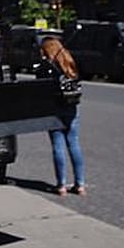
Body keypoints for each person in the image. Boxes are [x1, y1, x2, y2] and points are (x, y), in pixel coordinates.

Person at [40, 35, 86, 196]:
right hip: (72, 107)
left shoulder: (47, 66)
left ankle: (61, 185)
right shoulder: (69, 62)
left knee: (58, 146)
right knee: (74, 144)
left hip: (54, 110)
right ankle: (80, 184)